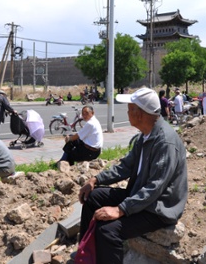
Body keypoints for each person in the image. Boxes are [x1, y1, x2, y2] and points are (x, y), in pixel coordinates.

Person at [76, 88, 188, 264]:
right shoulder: (144, 136)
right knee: (93, 198)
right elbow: (125, 167)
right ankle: (87, 255)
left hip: (158, 208)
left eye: (130, 109)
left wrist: (120, 209)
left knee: (107, 230)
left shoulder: (165, 142)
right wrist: (95, 180)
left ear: (141, 114)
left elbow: (155, 187)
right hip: (141, 196)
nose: (127, 112)